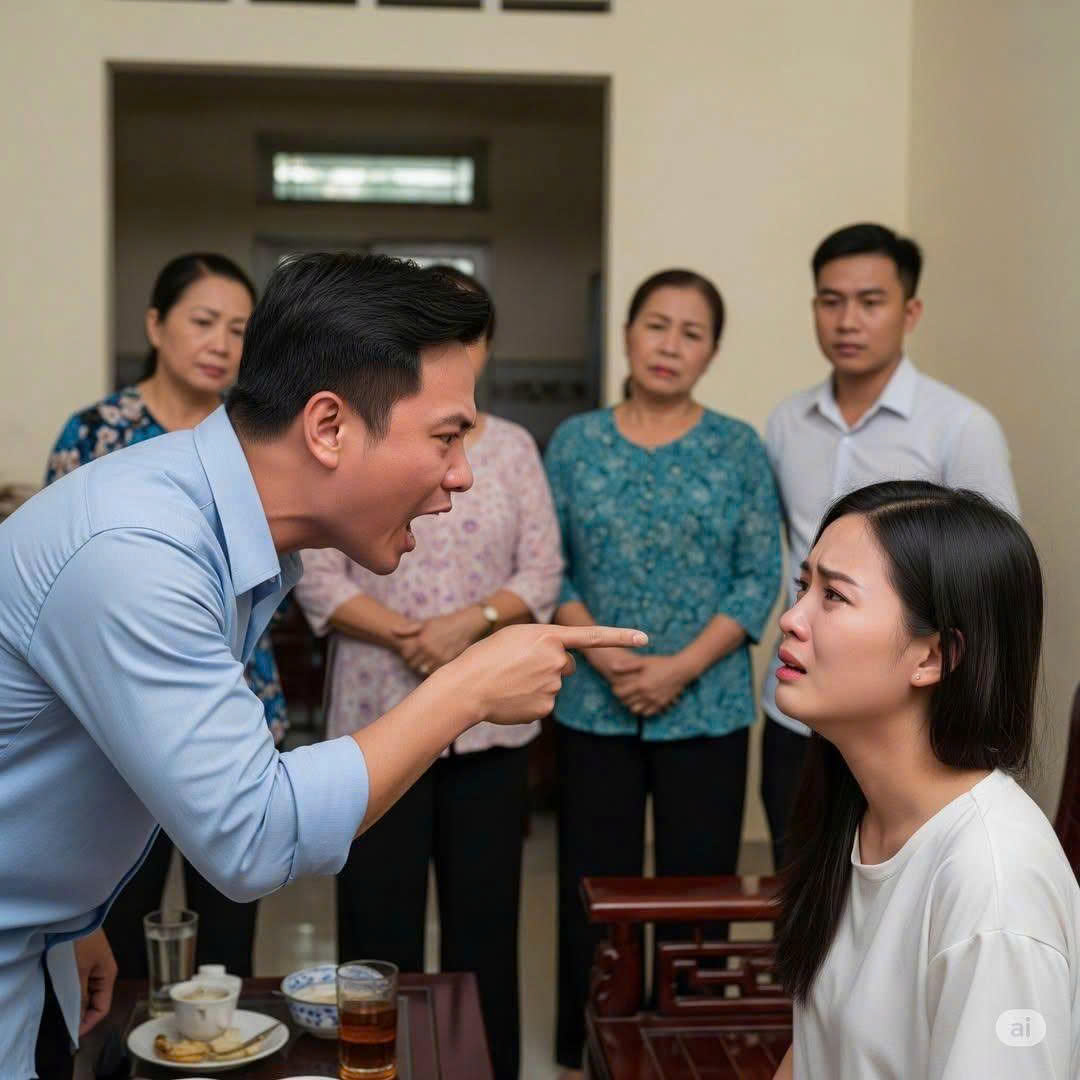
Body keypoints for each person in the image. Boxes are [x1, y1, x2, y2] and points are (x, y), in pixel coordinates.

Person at [0, 252, 646, 1079]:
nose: (462, 474)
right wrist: (466, 688)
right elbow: (251, 836)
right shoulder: (141, 551)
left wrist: (69, 914)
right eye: (447, 436)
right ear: (329, 427)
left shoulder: (209, 522)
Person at [294, 267, 562, 1080]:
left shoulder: (512, 450)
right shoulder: (360, 439)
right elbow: (315, 574)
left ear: (485, 346)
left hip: (490, 730)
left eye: (465, 333)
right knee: (377, 928)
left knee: (486, 927)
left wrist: (465, 626)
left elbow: (542, 570)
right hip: (375, 722)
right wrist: (409, 634)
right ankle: (375, 1067)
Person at [545, 269, 782, 1077]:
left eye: (691, 332)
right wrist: (604, 654)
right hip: (594, 700)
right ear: (626, 334)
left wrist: (679, 668)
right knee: (593, 886)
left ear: (712, 352)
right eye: (656, 324)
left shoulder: (739, 447)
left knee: (697, 889)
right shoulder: (575, 442)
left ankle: (689, 1047)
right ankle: (590, 1045)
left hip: (707, 702)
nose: (670, 345)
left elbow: (757, 576)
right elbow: (552, 564)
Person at [769, 480, 1080, 1079]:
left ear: (933, 657)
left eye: (833, 596)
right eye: (804, 586)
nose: (790, 618)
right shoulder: (860, 809)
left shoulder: (993, 885)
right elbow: (816, 1053)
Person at [44, 253, 281, 984]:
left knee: (228, 939)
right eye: (203, 321)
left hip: (233, 698)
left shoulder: (255, 437)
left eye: (239, 330)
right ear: (155, 325)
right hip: (118, 720)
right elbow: (59, 576)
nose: (220, 344)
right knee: (118, 934)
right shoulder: (96, 432)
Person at [760, 223, 1020, 872]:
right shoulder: (787, 422)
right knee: (801, 886)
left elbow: (989, 583)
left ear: (910, 312)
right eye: (830, 301)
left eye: (870, 302)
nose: (847, 320)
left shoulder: (961, 426)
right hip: (797, 713)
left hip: (907, 725)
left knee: (899, 885)